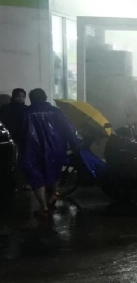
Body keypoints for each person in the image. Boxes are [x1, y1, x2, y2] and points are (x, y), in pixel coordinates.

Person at [19, 89, 79, 217]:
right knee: (53, 172)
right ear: (45, 98)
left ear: (31, 99)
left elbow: (20, 132)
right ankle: (51, 198)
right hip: (56, 148)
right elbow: (68, 129)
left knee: (35, 175)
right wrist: (75, 144)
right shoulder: (57, 112)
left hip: (32, 149)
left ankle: (43, 207)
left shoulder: (26, 112)